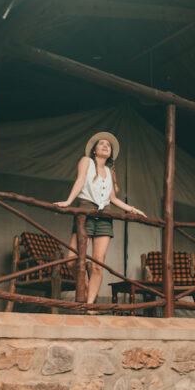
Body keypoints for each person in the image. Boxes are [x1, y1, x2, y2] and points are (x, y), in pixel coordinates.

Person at [55, 132, 145, 312]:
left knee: (98, 263)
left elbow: (113, 199)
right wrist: (67, 201)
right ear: (94, 150)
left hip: (105, 216)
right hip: (85, 212)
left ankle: (89, 305)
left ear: (110, 153)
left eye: (108, 145)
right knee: (72, 260)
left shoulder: (110, 172)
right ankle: (86, 285)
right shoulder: (86, 162)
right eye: (101, 143)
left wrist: (131, 209)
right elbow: (80, 181)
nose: (105, 146)